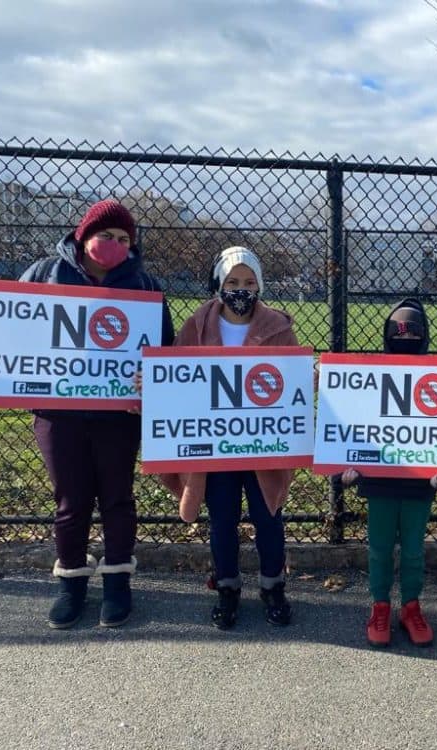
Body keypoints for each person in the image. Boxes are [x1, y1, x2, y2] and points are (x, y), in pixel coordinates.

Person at [18, 199, 175, 629]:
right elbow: (14, 331)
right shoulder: (45, 273)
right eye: (106, 235)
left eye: (124, 239)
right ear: (84, 234)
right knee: (70, 501)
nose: (114, 244)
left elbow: (164, 350)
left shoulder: (143, 285)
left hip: (118, 414)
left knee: (117, 498)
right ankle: (71, 583)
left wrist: (153, 377)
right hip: (59, 411)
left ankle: (118, 581)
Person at [160, 246, 298, 630]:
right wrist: (151, 387)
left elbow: (289, 381)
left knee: (268, 517)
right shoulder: (197, 326)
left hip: (261, 445)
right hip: (215, 446)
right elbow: (174, 375)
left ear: (260, 286)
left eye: (249, 282)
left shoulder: (278, 327)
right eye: (233, 281)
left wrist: (306, 379)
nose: (241, 288)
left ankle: (273, 585)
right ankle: (227, 586)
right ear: (219, 284)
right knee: (221, 520)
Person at [340, 298, 437, 648]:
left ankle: (411, 605)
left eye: (412, 332)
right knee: (378, 548)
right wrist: (344, 470)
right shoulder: (371, 377)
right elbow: (350, 423)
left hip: (418, 486)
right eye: (399, 331)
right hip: (378, 484)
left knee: (412, 550)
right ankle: (380, 604)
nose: (405, 338)